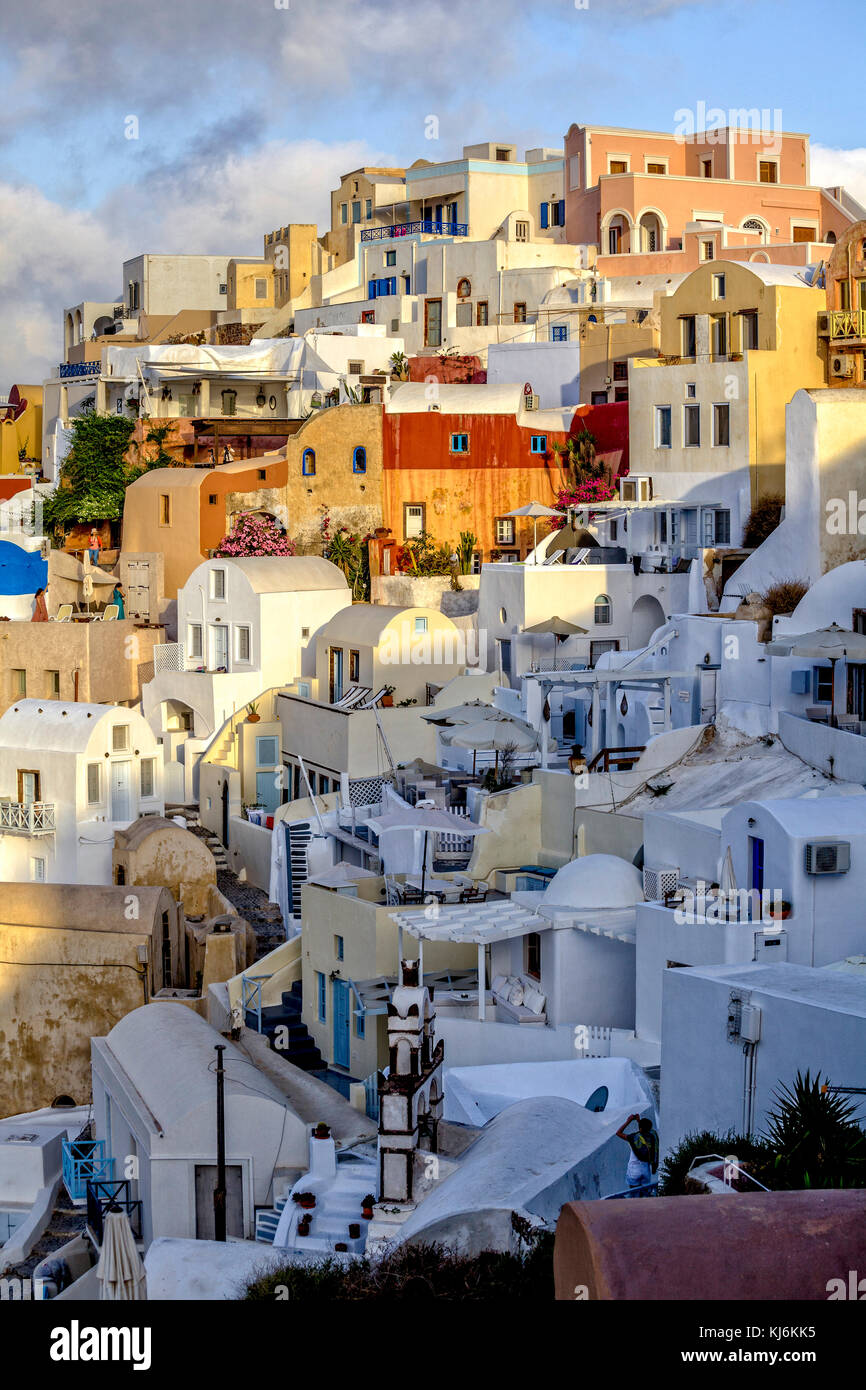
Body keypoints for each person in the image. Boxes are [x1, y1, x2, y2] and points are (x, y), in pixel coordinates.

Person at [616, 1113, 659, 1197]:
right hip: (646, 1170)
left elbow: (618, 1133)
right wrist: (639, 1121)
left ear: (640, 1128)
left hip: (634, 1170)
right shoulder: (652, 1136)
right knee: (645, 1194)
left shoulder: (634, 1137)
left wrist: (628, 1121)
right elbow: (645, 1129)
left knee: (634, 1194)